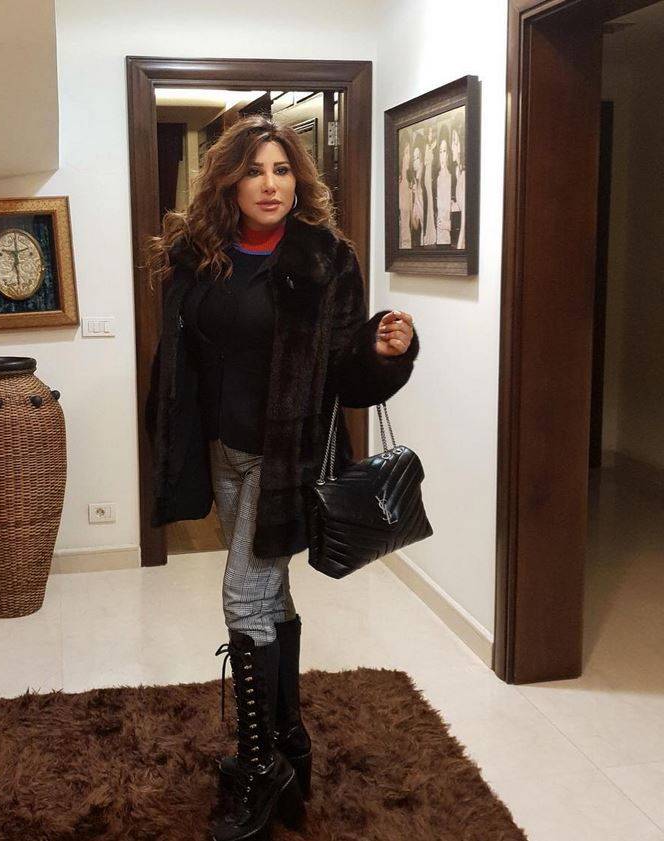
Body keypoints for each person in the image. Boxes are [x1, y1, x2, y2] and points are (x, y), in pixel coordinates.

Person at [143, 114, 420, 840]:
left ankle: (259, 764)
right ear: (229, 182)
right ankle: (291, 740)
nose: (270, 185)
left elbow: (348, 376)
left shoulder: (326, 259)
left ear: (299, 179)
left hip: (285, 456)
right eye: (255, 171)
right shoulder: (199, 255)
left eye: (283, 169)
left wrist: (387, 353)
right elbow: (184, 357)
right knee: (271, 594)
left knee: (244, 597)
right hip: (223, 450)